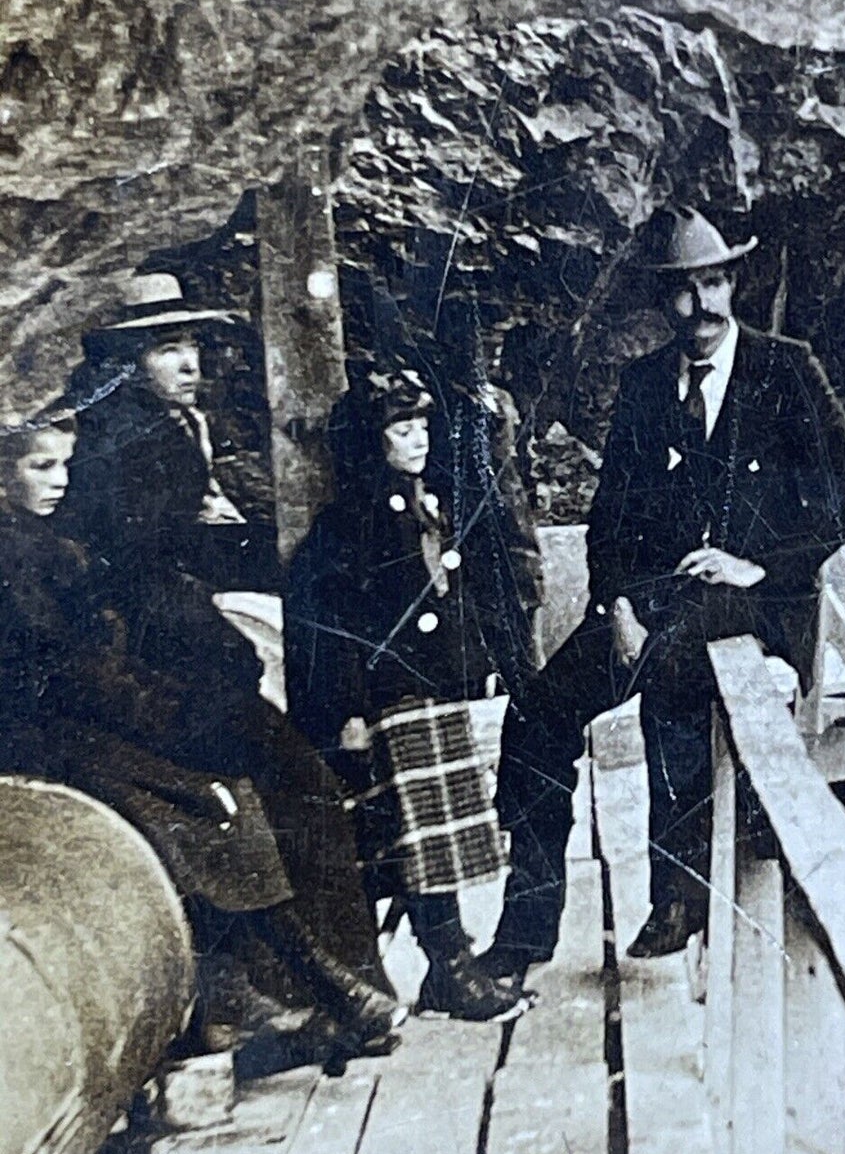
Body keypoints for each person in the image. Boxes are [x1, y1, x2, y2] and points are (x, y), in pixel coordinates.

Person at [476, 206, 845, 978]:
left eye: (714, 284)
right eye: (684, 292)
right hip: (650, 602)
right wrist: (614, 605)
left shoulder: (787, 369)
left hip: (758, 601)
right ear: (663, 302)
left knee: (676, 680)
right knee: (537, 716)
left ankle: (676, 894)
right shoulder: (645, 385)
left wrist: (757, 565)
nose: (701, 308)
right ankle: (525, 930)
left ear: (734, 283)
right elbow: (609, 518)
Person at [0, 412, 404, 1071]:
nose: (59, 481)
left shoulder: (49, 542)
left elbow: (98, 663)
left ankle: (288, 990)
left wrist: (170, 702)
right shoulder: (15, 553)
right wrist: (168, 712)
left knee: (220, 797)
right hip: (35, 734)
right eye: (40, 466)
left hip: (80, 716)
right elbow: (67, 669)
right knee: (183, 805)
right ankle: (299, 989)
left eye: (64, 465)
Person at [284, 365, 538, 1023]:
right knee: (419, 835)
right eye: (401, 428)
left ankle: (447, 963)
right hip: (390, 697)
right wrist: (344, 709)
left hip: (430, 686)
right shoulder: (353, 524)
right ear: (375, 442)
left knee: (440, 830)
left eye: (421, 424)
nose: (417, 438)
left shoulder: (427, 501)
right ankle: (446, 963)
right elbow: (330, 626)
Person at [59, 272, 281, 698]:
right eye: (168, 349)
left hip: (193, 567)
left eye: (191, 345)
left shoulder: (183, 419)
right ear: (132, 363)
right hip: (148, 589)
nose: (189, 365)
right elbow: (147, 543)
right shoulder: (124, 435)